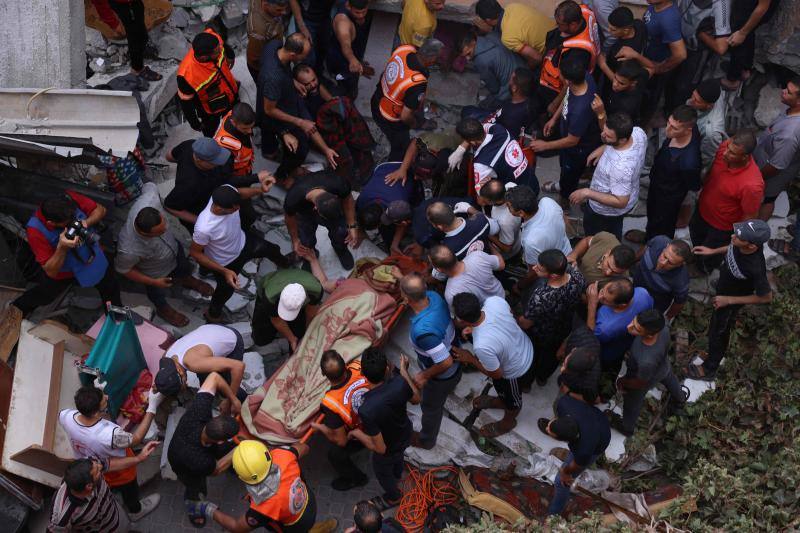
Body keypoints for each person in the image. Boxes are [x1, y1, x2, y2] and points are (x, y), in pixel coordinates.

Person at [59, 386, 162, 522]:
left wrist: (98, 397)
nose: (107, 397)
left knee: (109, 487)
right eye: (103, 399)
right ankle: (136, 510)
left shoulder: (65, 415)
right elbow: (136, 439)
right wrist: (152, 408)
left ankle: (115, 496)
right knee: (130, 489)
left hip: (91, 466)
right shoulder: (109, 436)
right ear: (95, 413)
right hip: (118, 470)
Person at [116, 183, 212, 327]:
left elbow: (149, 185)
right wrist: (153, 282)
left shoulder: (150, 200)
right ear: (145, 233)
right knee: (157, 293)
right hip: (155, 272)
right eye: (160, 232)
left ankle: (186, 279)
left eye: (165, 225)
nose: (166, 229)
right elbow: (124, 270)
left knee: (183, 266)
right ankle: (163, 309)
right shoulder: (129, 248)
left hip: (174, 248)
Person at [189, 439, 338, 532]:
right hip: (308, 502)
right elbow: (305, 448)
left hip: (294, 526)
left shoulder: (262, 509)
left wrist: (207, 508)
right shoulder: (284, 455)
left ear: (242, 477)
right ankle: (325, 527)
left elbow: (236, 527)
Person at [688, 220, 773, 380]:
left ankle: (710, 368)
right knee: (715, 323)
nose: (733, 236)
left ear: (752, 246)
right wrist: (712, 251)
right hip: (725, 286)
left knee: (718, 332)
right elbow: (732, 248)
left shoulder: (755, 267)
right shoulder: (741, 243)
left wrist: (728, 300)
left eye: (739, 237)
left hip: (731, 300)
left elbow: (766, 297)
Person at [13, 191, 122, 317]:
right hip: (64, 272)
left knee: (110, 287)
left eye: (73, 218)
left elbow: (101, 210)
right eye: (66, 223)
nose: (72, 223)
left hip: (92, 257)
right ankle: (17, 309)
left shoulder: (69, 200)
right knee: (45, 295)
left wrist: (85, 223)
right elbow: (50, 271)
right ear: (51, 223)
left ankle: (116, 317)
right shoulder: (35, 231)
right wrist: (62, 248)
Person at [190, 185, 288, 321]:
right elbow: (196, 253)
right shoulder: (204, 228)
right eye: (233, 209)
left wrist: (260, 189)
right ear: (219, 209)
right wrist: (224, 271)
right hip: (225, 261)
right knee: (225, 291)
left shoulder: (226, 191)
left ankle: (286, 265)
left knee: (271, 249)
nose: (238, 209)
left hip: (243, 242)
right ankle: (213, 314)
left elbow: (239, 192)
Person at [258, 33, 340, 181]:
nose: (305, 59)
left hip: (283, 98)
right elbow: (269, 110)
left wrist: (291, 81)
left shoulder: (274, 46)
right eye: (303, 55)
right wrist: (299, 123)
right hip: (278, 112)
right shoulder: (273, 78)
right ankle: (283, 175)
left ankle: (271, 152)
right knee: (299, 149)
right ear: (292, 54)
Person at [452, 294, 534, 437]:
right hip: (526, 346)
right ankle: (500, 401)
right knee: (504, 394)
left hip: (515, 370)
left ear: (463, 321)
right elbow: (510, 318)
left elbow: (497, 374)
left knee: (513, 401)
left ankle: (508, 422)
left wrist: (470, 358)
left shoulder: (482, 346)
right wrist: (477, 328)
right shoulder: (494, 301)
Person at [349, 348, 421, 511]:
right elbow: (416, 398)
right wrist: (403, 372)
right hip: (405, 433)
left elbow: (380, 448)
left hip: (388, 448)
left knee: (382, 472)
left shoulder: (366, 409)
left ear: (363, 374)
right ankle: (397, 473)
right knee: (398, 457)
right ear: (387, 368)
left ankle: (394, 497)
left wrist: (357, 433)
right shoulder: (400, 383)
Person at [163, 137, 282, 235]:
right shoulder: (189, 185)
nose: (219, 163)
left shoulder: (190, 144)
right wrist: (200, 221)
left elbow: (169, 156)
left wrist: (257, 180)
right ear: (199, 159)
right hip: (200, 210)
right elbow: (170, 206)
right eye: (214, 161)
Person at [167, 372, 240, 523]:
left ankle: (233, 465)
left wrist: (232, 399)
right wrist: (240, 448)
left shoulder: (199, 410)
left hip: (197, 445)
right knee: (196, 486)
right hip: (181, 462)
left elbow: (214, 377)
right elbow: (216, 470)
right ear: (219, 441)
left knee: (229, 450)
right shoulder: (200, 460)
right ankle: (194, 506)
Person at [401, 274, 461, 449]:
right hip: (455, 358)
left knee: (431, 407)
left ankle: (426, 440)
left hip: (443, 375)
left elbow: (445, 362)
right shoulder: (434, 297)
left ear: (406, 298)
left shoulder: (423, 331)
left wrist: (424, 375)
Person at [531, 52, 601, 203]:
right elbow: (568, 95)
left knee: (569, 174)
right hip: (571, 138)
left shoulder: (580, 111)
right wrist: (555, 119)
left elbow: (572, 140)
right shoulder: (584, 78)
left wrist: (546, 146)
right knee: (565, 169)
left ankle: (565, 197)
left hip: (577, 149)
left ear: (567, 80)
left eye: (560, 74)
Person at [690, 131, 764, 273]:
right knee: (696, 236)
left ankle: (703, 270)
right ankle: (696, 257)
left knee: (710, 255)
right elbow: (712, 170)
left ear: (745, 157)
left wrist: (737, 239)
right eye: (728, 148)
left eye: (732, 153)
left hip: (721, 227)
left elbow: (750, 215)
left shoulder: (752, 185)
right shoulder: (726, 148)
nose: (725, 153)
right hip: (702, 210)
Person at [293, 64, 376, 183]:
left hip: (327, 122)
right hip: (315, 132)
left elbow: (330, 100)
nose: (313, 85)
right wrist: (326, 149)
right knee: (341, 153)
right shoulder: (298, 100)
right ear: (299, 84)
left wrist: (338, 112)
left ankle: (363, 154)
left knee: (345, 108)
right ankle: (350, 178)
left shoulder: (316, 86)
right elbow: (311, 129)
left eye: (314, 80)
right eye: (307, 84)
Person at [570, 111, 647, 239]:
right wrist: (604, 148)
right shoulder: (637, 133)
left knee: (602, 236)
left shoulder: (620, 167)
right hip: (629, 190)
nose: (602, 135)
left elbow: (621, 201)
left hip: (606, 212)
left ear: (622, 139)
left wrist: (587, 193)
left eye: (608, 137)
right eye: (604, 131)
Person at [517, 249, 586, 384]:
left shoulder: (541, 296)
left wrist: (515, 317)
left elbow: (526, 323)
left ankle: (526, 383)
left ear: (553, 275)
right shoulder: (578, 277)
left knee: (532, 356)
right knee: (551, 356)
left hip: (540, 333)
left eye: (540, 269)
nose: (535, 268)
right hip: (563, 327)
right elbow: (583, 297)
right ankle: (542, 378)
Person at [615, 309, 686, 435]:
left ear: (649, 334)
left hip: (643, 377)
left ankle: (627, 427)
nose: (629, 327)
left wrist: (623, 381)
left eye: (637, 328)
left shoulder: (645, 359)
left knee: (632, 403)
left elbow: (639, 383)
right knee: (669, 377)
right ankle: (680, 397)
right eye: (633, 321)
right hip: (663, 366)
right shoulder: (662, 323)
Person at [371, 38, 443, 160]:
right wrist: (414, 124)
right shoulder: (416, 83)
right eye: (437, 57)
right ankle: (395, 167)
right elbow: (405, 116)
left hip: (377, 99)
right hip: (391, 118)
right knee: (400, 145)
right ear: (431, 58)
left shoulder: (404, 49)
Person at [539, 395, 611, 515]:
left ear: (565, 441)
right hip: (592, 417)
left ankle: (553, 515)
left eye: (549, 430)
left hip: (601, 436)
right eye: (549, 426)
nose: (546, 428)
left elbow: (574, 467)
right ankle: (555, 428)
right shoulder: (564, 403)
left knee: (560, 482)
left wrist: (565, 473)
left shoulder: (584, 449)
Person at [311, 351, 372, 491]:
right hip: (379, 417)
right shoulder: (358, 366)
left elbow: (342, 441)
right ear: (345, 365)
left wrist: (320, 428)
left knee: (335, 454)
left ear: (322, 374)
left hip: (362, 433)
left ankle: (356, 479)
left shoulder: (331, 402)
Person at [284, 170, 364, 270]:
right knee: (305, 241)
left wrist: (352, 225)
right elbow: (289, 219)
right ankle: (310, 256)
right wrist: (295, 240)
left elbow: (347, 199)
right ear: (316, 209)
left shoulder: (338, 183)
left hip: (330, 207)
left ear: (335, 196)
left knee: (341, 231)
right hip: (304, 214)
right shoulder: (293, 198)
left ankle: (340, 249)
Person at [155, 324, 247, 407]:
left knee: (227, 386)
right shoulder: (166, 358)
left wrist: (230, 400)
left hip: (231, 338)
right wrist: (160, 386)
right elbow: (163, 379)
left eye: (184, 382)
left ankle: (246, 402)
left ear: (179, 371)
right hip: (210, 330)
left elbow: (238, 366)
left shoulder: (193, 363)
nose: (186, 382)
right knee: (205, 379)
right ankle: (211, 394)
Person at [644, 105, 701, 240]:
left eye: (674, 127)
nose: (667, 129)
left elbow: (693, 185)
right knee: (652, 216)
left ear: (688, 130)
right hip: (656, 185)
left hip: (668, 198)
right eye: (669, 123)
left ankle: (652, 247)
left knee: (662, 227)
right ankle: (648, 235)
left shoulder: (689, 162)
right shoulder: (679, 132)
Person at [619, 0, 686, 114]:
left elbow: (680, 54)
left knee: (648, 98)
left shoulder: (668, 19)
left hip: (655, 66)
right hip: (646, 58)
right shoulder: (655, 5)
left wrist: (659, 68)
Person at [536, 0, 600, 114]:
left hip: (556, 89)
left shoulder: (578, 54)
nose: (557, 26)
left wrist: (554, 104)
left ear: (573, 24)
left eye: (560, 24)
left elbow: (569, 84)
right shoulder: (584, 12)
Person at [505, 185, 572, 291]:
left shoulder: (531, 241)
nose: (507, 208)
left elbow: (534, 273)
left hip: (553, 270)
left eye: (509, 206)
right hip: (568, 253)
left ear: (521, 213)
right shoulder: (548, 202)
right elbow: (565, 220)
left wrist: (520, 286)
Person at [753, 77, 800, 221]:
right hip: (766, 156)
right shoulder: (790, 108)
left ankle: (755, 233)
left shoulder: (790, 134)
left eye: (789, 92)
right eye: (786, 87)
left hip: (773, 172)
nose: (783, 91)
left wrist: (756, 178)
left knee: (768, 198)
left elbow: (775, 166)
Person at [177, 29, 238, 136]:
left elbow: (223, 45)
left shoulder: (214, 40)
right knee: (212, 133)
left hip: (231, 92)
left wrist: (230, 55)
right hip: (212, 110)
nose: (220, 50)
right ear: (204, 57)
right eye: (217, 51)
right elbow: (186, 104)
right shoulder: (187, 75)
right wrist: (195, 123)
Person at [451, 118, 536, 193]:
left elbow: (482, 197)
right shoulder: (499, 129)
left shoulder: (481, 164)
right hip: (532, 182)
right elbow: (481, 126)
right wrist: (461, 148)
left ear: (473, 142)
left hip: (518, 198)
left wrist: (461, 150)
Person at [48, 458, 135, 532]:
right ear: (89, 486)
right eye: (97, 471)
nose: (100, 467)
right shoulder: (62, 517)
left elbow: (107, 464)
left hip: (117, 515)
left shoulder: (90, 465)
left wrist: (139, 458)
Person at [587, 277, 654, 369]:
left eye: (605, 300)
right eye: (602, 291)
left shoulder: (606, 328)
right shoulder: (643, 293)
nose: (599, 297)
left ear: (622, 305)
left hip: (607, 350)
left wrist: (592, 305)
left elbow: (591, 336)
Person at [251, 268, 324, 350]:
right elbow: (277, 321)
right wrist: (292, 339)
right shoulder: (270, 297)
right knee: (260, 338)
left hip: (301, 281)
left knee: (301, 331)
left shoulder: (316, 290)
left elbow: (310, 312)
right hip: (270, 287)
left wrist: (308, 330)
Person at [356, 162, 419, 255]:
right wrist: (358, 231)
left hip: (407, 171)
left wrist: (394, 244)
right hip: (383, 169)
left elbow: (402, 223)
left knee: (415, 209)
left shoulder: (398, 205)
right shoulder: (362, 200)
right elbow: (356, 216)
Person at [473, 0, 555, 69]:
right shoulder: (513, 6)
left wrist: (526, 69)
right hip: (558, 31)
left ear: (488, 20)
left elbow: (537, 57)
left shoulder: (507, 38)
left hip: (554, 51)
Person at [457, 30, 526, 109]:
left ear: (473, 42)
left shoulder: (481, 62)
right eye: (464, 56)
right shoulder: (493, 34)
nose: (468, 59)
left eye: (469, 54)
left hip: (514, 86)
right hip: (523, 69)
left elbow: (495, 88)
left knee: (484, 105)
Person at [429, 244, 505, 310]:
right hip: (502, 297)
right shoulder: (477, 256)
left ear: (438, 269)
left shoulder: (451, 293)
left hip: (488, 314)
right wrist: (491, 246)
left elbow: (462, 318)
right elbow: (501, 265)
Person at [720, 0, 774, 91]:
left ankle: (733, 79)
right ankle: (744, 69)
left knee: (739, 36)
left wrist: (742, 33)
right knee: (748, 34)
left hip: (756, 9)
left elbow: (762, 8)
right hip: (754, 6)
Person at [632, 237, 691, 317]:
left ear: (681, 264)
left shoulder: (681, 281)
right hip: (636, 283)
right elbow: (646, 247)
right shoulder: (658, 241)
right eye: (664, 256)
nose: (662, 263)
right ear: (666, 246)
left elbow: (679, 303)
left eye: (670, 263)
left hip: (653, 303)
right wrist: (631, 260)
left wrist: (667, 318)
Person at [327, 0, 374, 99]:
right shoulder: (343, 23)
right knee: (347, 89)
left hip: (354, 54)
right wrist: (353, 60)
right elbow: (346, 46)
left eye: (364, 12)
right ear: (348, 6)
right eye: (357, 12)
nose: (361, 15)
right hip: (341, 62)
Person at [426, 201, 499, 262]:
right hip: (490, 261)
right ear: (451, 210)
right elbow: (496, 227)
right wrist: (469, 208)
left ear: (439, 226)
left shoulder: (447, 250)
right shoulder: (481, 220)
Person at [108, 0, 161, 82]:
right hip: (121, 5)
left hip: (134, 3)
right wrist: (113, 22)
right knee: (135, 37)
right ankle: (137, 69)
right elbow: (99, 3)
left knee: (143, 36)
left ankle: (136, 60)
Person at [687, 78, 727, 173]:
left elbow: (706, 157)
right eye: (693, 95)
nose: (691, 101)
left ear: (709, 106)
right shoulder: (714, 91)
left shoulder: (711, 133)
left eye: (697, 101)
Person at [568, 231, 636, 285]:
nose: (608, 273)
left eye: (615, 273)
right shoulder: (606, 239)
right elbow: (587, 241)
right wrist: (574, 255)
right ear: (608, 253)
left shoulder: (621, 283)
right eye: (608, 265)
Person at [477, 180, 522, 260]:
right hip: (514, 234)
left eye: (484, 200)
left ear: (491, 202)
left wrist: (488, 234)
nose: (482, 200)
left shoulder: (505, 222)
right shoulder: (511, 187)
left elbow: (507, 248)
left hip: (506, 252)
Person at [598, 6, 647, 80]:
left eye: (613, 30)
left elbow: (620, 82)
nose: (609, 31)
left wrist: (603, 65)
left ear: (626, 30)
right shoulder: (639, 24)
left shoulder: (622, 53)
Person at [246, 0, 289, 81]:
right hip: (261, 67)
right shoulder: (259, 31)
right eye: (279, 10)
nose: (284, 13)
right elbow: (254, 58)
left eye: (285, 9)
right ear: (266, 4)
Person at [289, 0, 336, 71]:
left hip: (325, 18)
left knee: (323, 49)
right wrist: (302, 26)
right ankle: (306, 78)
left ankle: (318, 74)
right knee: (308, 55)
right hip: (307, 19)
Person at [597, 59, 647, 126]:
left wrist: (601, 113)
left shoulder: (626, 107)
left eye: (621, 83)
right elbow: (651, 69)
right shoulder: (641, 76)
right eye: (615, 77)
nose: (614, 84)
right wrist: (635, 55)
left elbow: (612, 131)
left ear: (633, 83)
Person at [213, 102, 257, 178]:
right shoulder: (226, 148)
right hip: (238, 176)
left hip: (245, 168)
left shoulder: (233, 115)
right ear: (233, 123)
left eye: (251, 127)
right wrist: (255, 178)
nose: (250, 131)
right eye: (245, 128)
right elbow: (226, 178)